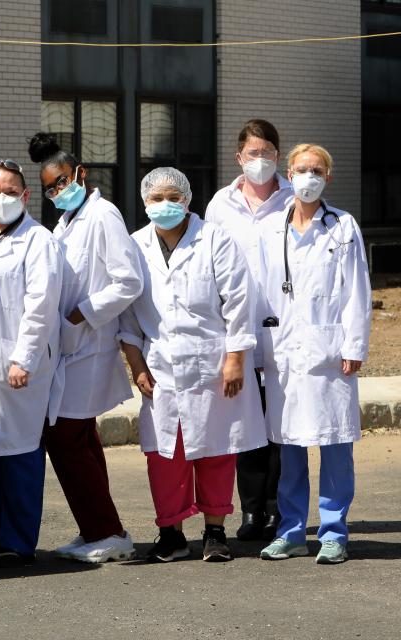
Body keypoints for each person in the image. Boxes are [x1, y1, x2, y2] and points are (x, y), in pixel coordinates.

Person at [118, 167, 266, 563]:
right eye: (156, 198)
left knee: (217, 450)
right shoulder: (134, 247)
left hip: (214, 360)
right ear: (144, 201)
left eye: (173, 197)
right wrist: (137, 366)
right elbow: (128, 318)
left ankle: (215, 532)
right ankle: (171, 533)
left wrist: (236, 358)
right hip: (161, 363)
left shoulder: (215, 240)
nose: (164, 205)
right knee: (166, 454)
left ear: (187, 199)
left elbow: (239, 301)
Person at [28, 133, 141, 563]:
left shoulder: (103, 215)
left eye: (62, 181)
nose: (58, 191)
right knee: (82, 441)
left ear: (81, 173)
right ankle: (100, 527)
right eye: (50, 187)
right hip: (72, 348)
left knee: (66, 440)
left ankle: (107, 532)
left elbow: (128, 281)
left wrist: (79, 315)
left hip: (89, 344)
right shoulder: (69, 221)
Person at [258, 144, 371, 565]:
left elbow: (357, 290)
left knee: (335, 446)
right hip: (284, 353)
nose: (308, 176)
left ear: (328, 176)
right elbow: (259, 292)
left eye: (316, 170)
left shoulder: (342, 226)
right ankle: (290, 532)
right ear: (289, 174)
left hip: (330, 352)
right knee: (289, 448)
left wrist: (355, 345)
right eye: (302, 169)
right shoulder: (272, 227)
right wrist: (256, 347)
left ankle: (334, 532)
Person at [0, 159, 62, 569]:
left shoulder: (39, 241)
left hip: (17, 364)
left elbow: (42, 306)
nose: (1, 198)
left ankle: (19, 542)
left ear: (25, 195)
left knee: (19, 454)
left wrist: (24, 358)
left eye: (9, 191)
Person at [205, 119, 293, 542]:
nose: (261, 160)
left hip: (283, 328)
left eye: (268, 153)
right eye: (253, 153)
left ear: (279, 155)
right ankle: (252, 511)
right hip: (237, 329)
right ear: (239, 157)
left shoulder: (295, 199)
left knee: (280, 426)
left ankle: (279, 512)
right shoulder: (221, 204)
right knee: (245, 425)